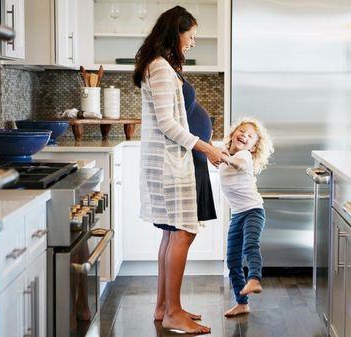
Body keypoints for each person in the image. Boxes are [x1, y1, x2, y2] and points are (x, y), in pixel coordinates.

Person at [132, 5, 228, 334]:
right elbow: (168, 124)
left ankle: (165, 307)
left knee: (173, 233)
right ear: (177, 32)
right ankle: (172, 312)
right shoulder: (159, 67)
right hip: (171, 165)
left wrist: (212, 146)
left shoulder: (164, 65)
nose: (193, 42)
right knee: (182, 234)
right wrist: (206, 147)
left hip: (179, 162)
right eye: (192, 36)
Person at [219, 118, 274, 317]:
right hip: (237, 215)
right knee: (232, 261)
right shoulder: (226, 155)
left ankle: (254, 279)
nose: (244, 135)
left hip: (253, 211)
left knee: (250, 245)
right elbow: (216, 156)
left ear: (253, 148)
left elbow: (239, 164)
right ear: (233, 134)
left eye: (250, 136)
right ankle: (242, 303)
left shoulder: (243, 157)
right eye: (241, 131)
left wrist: (225, 157)